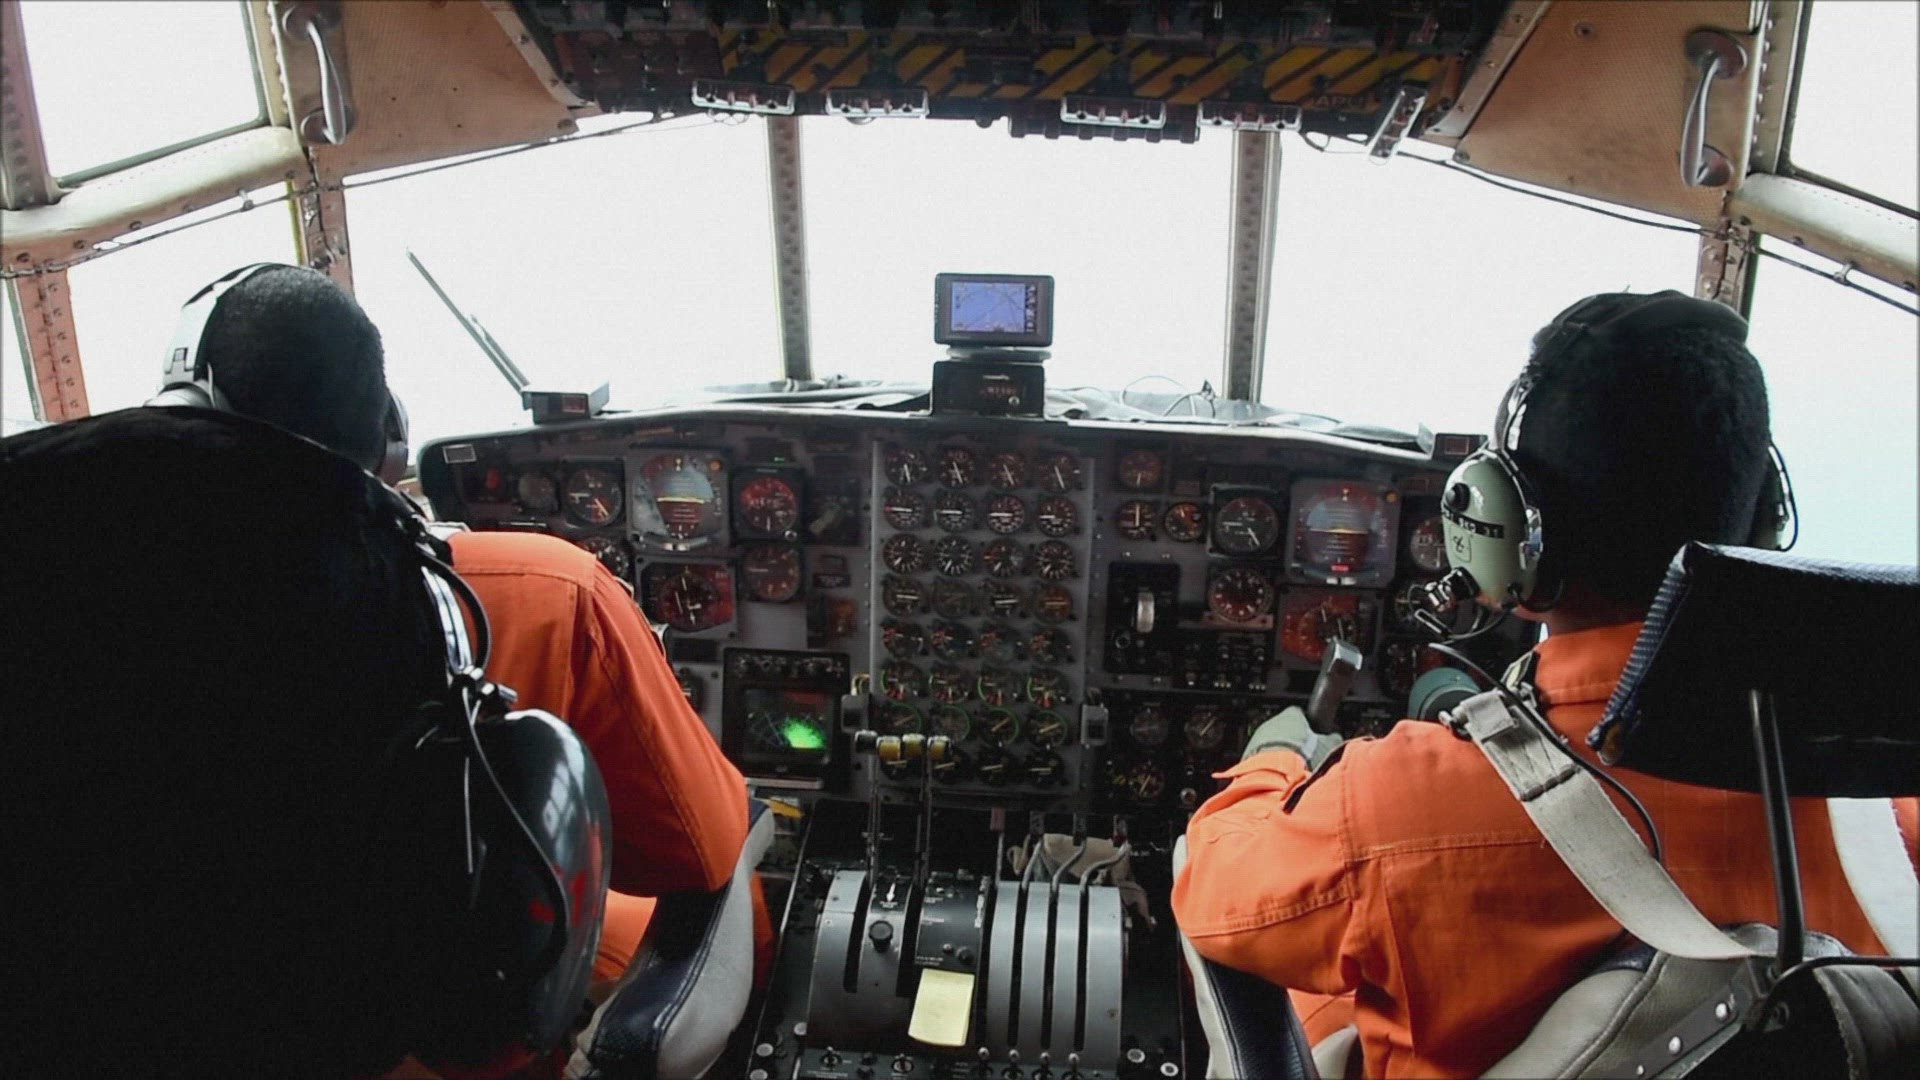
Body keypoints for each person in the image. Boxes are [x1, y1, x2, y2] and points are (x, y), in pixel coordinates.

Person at [1172, 291, 1920, 1078]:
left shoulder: (1394, 808)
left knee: (1222, 876)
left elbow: (1217, 895)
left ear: (1508, 535)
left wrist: (1276, 762)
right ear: (1761, 519)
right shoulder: (1889, 822)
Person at [186, 264, 763, 996]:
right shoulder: (543, 589)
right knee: (737, 860)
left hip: (216, 996)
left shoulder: (105, 611)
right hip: (446, 1005)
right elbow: (698, 851)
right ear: (390, 436)